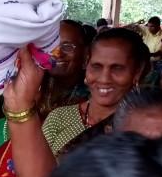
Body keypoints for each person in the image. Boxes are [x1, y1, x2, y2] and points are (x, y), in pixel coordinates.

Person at [42, 27, 147, 157]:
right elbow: (34, 173)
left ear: (137, 72)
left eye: (117, 68)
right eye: (96, 67)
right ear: (86, 64)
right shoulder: (59, 119)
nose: (104, 79)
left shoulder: (144, 127)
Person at [38, 20, 91, 117]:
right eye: (51, 46)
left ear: (85, 54)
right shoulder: (36, 85)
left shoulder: (93, 96)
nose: (57, 53)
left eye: (67, 47)